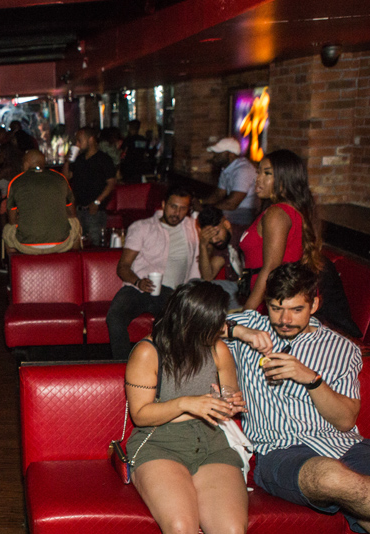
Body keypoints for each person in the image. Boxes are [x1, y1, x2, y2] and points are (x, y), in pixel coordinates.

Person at [224, 262, 370, 534]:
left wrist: (311, 379)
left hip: (347, 447)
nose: (284, 319)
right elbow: (179, 323)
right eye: (276, 308)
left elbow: (345, 419)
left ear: (314, 304)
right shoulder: (250, 327)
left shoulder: (341, 348)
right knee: (330, 476)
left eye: (296, 309)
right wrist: (239, 332)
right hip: (281, 453)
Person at [124, 281, 248, 534]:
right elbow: (141, 415)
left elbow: (228, 396)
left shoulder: (218, 349)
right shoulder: (148, 352)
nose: (222, 328)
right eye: (216, 322)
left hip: (211, 442)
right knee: (180, 528)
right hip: (159, 442)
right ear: (193, 321)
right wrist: (185, 403)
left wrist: (230, 403)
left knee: (232, 533)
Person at [107, 187, 200, 360]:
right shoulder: (142, 227)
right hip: (137, 288)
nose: (177, 213)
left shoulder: (193, 227)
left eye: (182, 208)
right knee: (115, 316)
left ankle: (168, 366)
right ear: (163, 205)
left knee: (177, 319)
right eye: (173, 206)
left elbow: (216, 225)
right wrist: (138, 282)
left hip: (171, 292)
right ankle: (123, 365)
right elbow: (123, 267)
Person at [237, 149, 319, 311]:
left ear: (284, 180)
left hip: (269, 306)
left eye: (267, 173)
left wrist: (246, 315)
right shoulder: (283, 210)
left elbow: (271, 268)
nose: (258, 178)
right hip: (266, 300)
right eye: (258, 172)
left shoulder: (277, 213)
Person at [3, 150, 81, 255]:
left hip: (27, 245)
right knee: (75, 223)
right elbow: (72, 213)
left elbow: (12, 220)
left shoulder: (16, 181)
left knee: (7, 230)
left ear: (26, 164)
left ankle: (14, 262)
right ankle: (74, 259)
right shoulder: (60, 178)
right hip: (61, 243)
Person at [65, 127, 117, 248]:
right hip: (78, 209)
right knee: (77, 243)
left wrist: (97, 202)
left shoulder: (104, 159)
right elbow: (66, 176)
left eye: (80, 140)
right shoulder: (79, 159)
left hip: (95, 211)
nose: (77, 144)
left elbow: (111, 183)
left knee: (95, 244)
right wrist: (67, 161)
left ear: (91, 139)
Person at [201, 138, 258, 229]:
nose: (215, 155)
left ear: (231, 155)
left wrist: (205, 209)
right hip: (237, 211)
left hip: (247, 212)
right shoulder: (226, 168)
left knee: (210, 218)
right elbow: (218, 194)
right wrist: (200, 202)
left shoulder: (243, 170)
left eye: (219, 152)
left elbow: (232, 204)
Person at [197, 206, 244, 311]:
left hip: (251, 289)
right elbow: (208, 277)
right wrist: (203, 245)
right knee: (195, 284)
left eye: (216, 233)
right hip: (237, 289)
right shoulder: (222, 243)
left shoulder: (242, 236)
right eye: (210, 237)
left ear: (226, 224)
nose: (214, 240)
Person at [121, 119, 150, 184]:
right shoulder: (143, 139)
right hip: (140, 164)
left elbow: (123, 150)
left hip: (129, 165)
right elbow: (145, 152)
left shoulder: (129, 139)